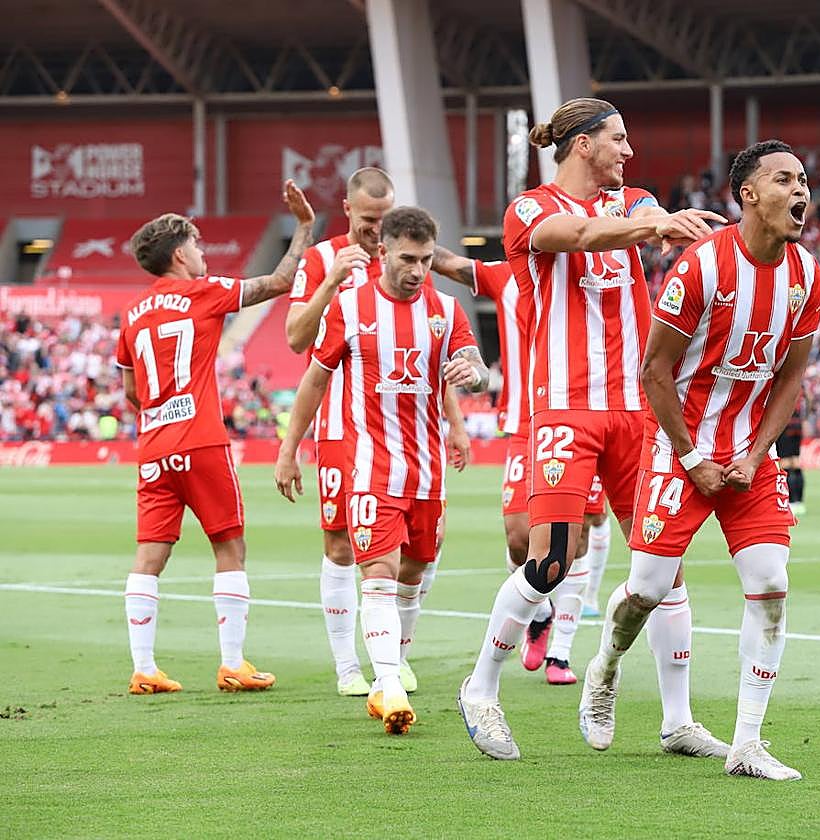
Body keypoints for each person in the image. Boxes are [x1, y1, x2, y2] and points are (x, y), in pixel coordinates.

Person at [457, 96, 727, 760]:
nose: (628, 151)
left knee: (665, 569)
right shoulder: (530, 209)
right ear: (583, 145)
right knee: (550, 561)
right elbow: (571, 238)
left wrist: (658, 221)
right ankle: (481, 690)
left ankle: (677, 720)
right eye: (617, 139)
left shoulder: (635, 200)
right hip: (565, 410)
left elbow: (642, 215)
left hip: (636, 414)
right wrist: (654, 228)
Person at [579, 140, 820, 781]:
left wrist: (755, 452)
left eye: (803, 180)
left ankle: (747, 744)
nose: (800, 191)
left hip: (747, 461)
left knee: (771, 587)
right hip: (679, 453)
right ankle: (604, 669)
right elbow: (654, 371)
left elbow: (792, 378)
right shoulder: (702, 267)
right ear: (749, 193)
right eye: (784, 179)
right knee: (650, 590)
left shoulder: (805, 274)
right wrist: (691, 456)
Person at [275, 207, 489, 736]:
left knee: (415, 574)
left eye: (424, 260)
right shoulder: (350, 306)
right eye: (407, 259)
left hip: (427, 472)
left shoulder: (445, 311)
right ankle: (386, 682)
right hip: (370, 466)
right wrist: (288, 448)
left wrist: (474, 375)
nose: (417, 270)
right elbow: (314, 381)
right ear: (383, 252)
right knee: (379, 574)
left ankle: (394, 662)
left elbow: (476, 369)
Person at [117, 180, 314, 695]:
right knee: (230, 546)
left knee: (149, 556)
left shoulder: (131, 315)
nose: (203, 255)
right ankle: (233, 664)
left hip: (153, 448)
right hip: (202, 440)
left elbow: (131, 390)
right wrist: (304, 227)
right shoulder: (204, 293)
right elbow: (277, 282)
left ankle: (144, 668)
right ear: (180, 254)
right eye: (198, 246)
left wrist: (159, 412)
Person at [430, 248, 607, 686]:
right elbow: (449, 262)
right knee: (517, 536)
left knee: (579, 536)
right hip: (526, 423)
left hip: (584, 416)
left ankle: (561, 655)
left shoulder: (590, 271)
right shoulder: (502, 275)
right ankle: (541, 612)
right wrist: (391, 235)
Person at [775, 394, 807, 517]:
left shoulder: (786, 380)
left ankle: (791, 501)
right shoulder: (800, 384)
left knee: (785, 464)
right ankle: (799, 502)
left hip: (786, 425)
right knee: (795, 462)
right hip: (797, 426)